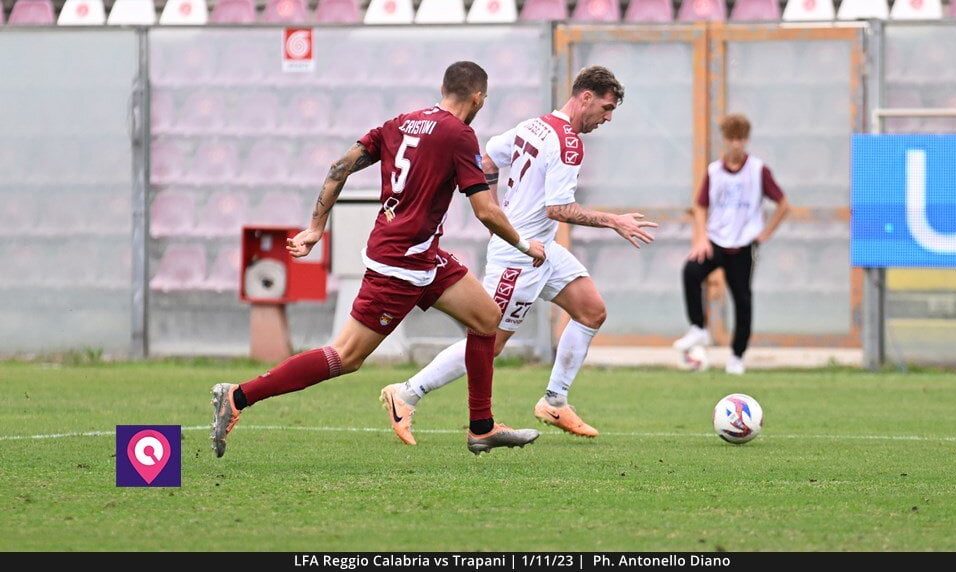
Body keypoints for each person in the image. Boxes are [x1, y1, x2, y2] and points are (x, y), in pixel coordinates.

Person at [210, 61, 548, 457]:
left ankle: (481, 427)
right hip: (399, 264)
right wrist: (526, 245)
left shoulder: (399, 123)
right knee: (346, 356)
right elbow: (486, 211)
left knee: (486, 318)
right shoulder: (460, 135)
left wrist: (316, 227)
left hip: (424, 254)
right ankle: (238, 396)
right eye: (483, 100)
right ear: (478, 97)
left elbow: (338, 167)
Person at [379, 66, 658, 445]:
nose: (607, 118)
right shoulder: (569, 143)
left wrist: (498, 215)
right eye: (606, 108)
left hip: (542, 248)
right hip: (520, 256)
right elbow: (558, 210)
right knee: (488, 342)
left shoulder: (535, 125)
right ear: (585, 97)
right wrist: (614, 220)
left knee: (591, 310)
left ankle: (555, 401)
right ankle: (408, 392)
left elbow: (489, 158)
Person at [672, 113, 789, 375]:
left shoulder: (758, 170)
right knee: (691, 271)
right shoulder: (714, 171)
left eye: (741, 139)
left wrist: (765, 234)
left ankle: (737, 356)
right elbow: (700, 205)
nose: (736, 144)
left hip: (744, 244)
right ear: (724, 140)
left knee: (743, 299)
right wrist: (702, 237)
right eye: (732, 138)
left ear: (746, 140)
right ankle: (698, 328)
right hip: (716, 240)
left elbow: (783, 204)